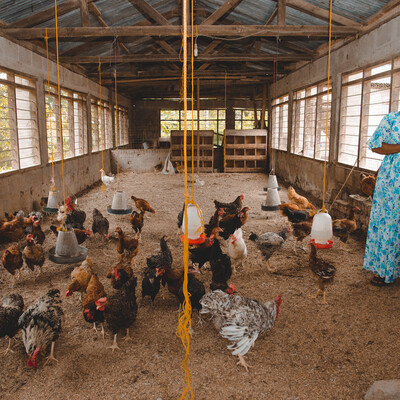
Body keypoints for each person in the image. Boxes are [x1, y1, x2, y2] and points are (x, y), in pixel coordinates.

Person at [363, 111, 400, 286]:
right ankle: (382, 270)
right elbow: (375, 146)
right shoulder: (391, 119)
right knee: (388, 223)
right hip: (392, 180)